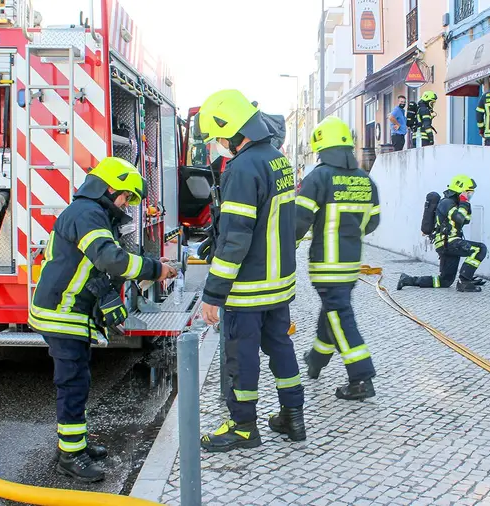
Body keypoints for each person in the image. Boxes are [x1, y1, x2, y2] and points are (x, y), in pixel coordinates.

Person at [29, 157, 178, 482]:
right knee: (73, 384)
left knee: (77, 380)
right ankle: (70, 457)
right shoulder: (87, 214)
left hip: (68, 312)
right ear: (110, 186)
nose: (125, 203)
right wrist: (155, 269)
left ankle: (73, 445)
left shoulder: (91, 213)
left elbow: (94, 268)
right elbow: (109, 259)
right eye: (125, 196)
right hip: (61, 313)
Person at [196, 89, 305, 452]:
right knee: (280, 346)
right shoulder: (278, 159)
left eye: (218, 138)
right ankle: (293, 416)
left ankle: (243, 427)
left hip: (249, 288)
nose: (218, 145)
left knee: (241, 357)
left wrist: (213, 295)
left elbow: (236, 240)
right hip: (279, 284)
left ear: (231, 132)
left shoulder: (242, 169)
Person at [295, 116, 381, 400]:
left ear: (322, 148)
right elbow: (372, 223)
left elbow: (299, 221)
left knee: (340, 316)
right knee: (332, 311)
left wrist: (284, 248)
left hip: (325, 265)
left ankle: (361, 377)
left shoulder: (318, 177)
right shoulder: (366, 180)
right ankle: (316, 360)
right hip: (350, 263)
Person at [397, 175, 488, 293]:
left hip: (446, 244)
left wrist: (464, 204)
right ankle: (464, 281)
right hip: (450, 242)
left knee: (445, 281)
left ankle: (408, 280)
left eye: (471, 194)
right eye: (468, 193)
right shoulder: (447, 203)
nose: (469, 196)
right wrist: (464, 202)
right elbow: (459, 218)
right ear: (460, 190)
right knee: (480, 249)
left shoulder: (456, 203)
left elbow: (466, 220)